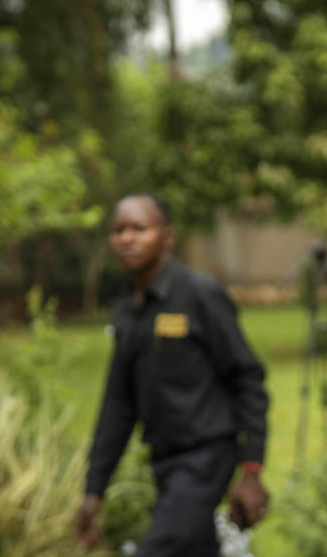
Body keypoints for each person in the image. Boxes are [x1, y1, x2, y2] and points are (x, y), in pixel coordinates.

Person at [75, 194, 270, 555]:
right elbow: (118, 403)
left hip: (207, 457)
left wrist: (252, 471)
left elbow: (248, 378)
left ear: (168, 236)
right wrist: (94, 489)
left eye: (139, 228)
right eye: (118, 230)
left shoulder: (200, 294)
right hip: (164, 463)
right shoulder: (127, 307)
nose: (127, 238)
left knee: (160, 549)